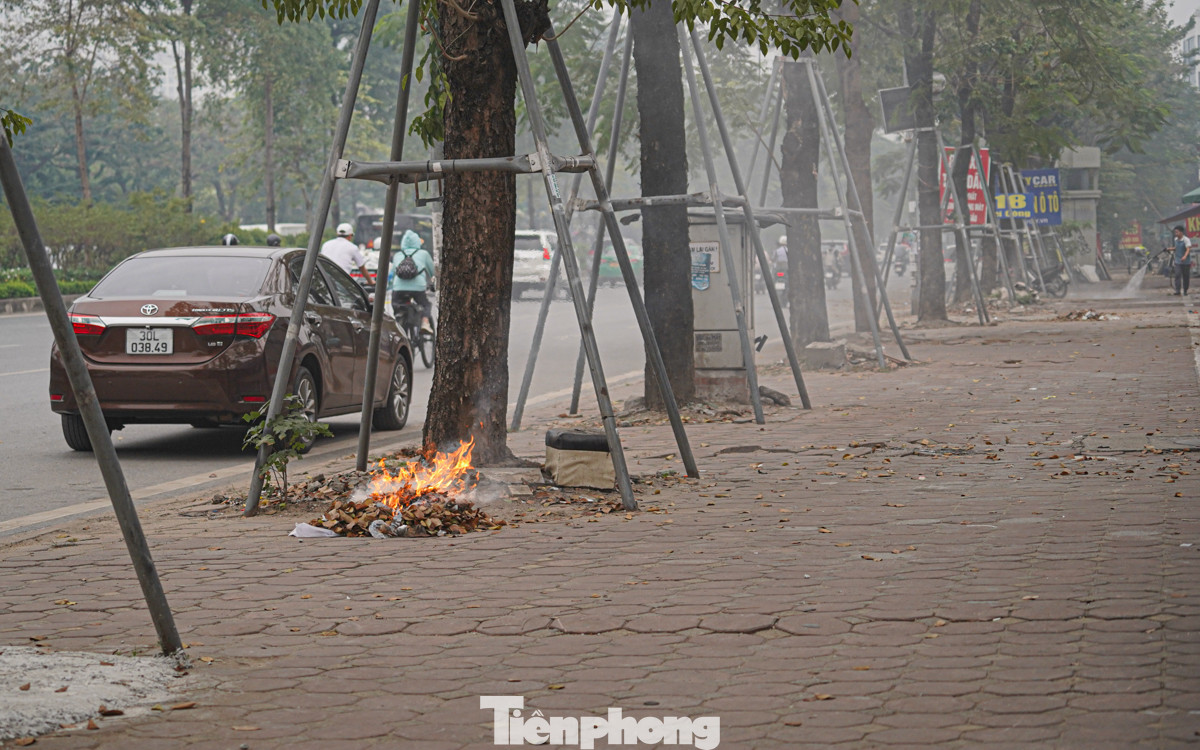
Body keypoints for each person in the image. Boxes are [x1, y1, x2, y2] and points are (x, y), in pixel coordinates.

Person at [389, 230, 436, 335]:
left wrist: (389, 286)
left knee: (397, 305)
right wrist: (435, 285)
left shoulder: (397, 255)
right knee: (425, 304)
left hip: (398, 288)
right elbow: (433, 272)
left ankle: (399, 319)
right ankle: (425, 323)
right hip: (418, 288)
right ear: (417, 242)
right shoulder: (424, 254)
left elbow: (391, 274)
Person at [1171, 225, 1192, 296]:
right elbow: (1176, 247)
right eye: (1175, 232)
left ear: (1181, 232)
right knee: (1177, 275)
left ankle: (1185, 290)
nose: (1176, 234)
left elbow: (1188, 249)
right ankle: (1177, 290)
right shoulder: (1175, 239)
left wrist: (1185, 256)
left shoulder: (1186, 240)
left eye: (1177, 232)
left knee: (1186, 277)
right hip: (1178, 261)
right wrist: (1169, 249)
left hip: (1186, 262)